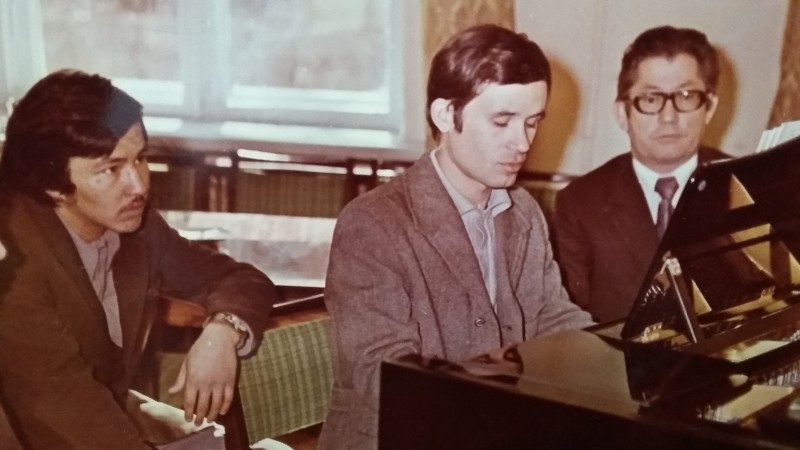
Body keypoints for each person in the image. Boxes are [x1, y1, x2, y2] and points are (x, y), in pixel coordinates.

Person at [319, 24, 594, 449]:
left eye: (531, 123)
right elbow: (384, 372)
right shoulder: (373, 223)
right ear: (446, 115)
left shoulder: (523, 211)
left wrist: (615, 360)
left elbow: (551, 317)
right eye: (502, 121)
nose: (522, 143)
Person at [0, 70, 277, 449]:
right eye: (110, 169)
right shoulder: (13, 262)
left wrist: (222, 332)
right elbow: (66, 411)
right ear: (52, 185)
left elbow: (240, 279)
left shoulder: (135, 227)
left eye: (141, 158)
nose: (139, 186)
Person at [553, 26, 729, 323]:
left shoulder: (743, 183)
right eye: (650, 99)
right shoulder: (580, 204)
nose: (669, 117)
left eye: (686, 95)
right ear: (623, 113)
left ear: (709, 107)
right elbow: (570, 322)